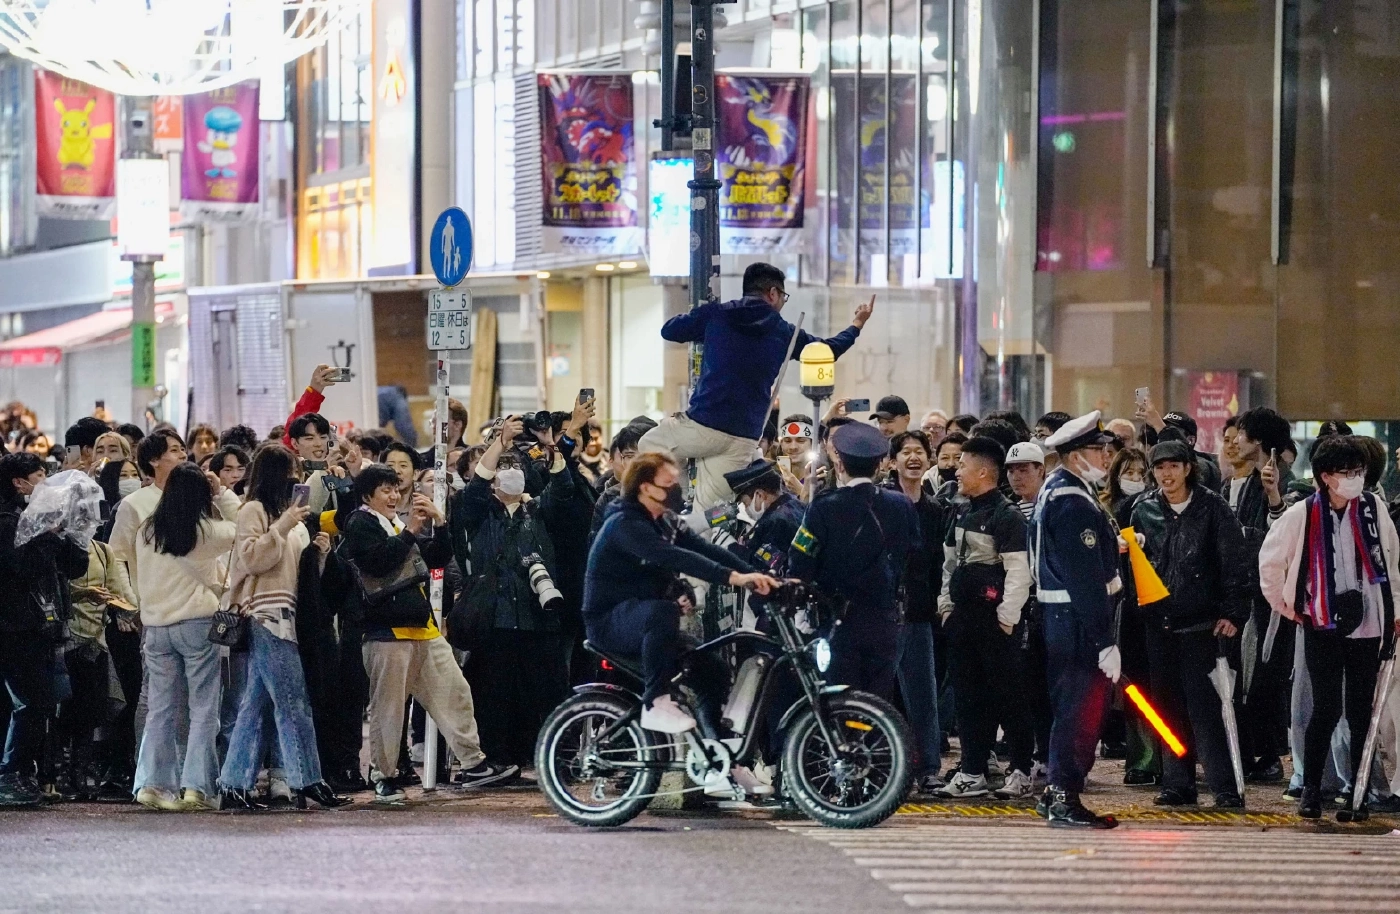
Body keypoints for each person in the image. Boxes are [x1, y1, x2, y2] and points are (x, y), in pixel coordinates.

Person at [338, 465, 518, 803]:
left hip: (424, 629)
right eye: (385, 490)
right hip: (385, 632)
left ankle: (473, 763)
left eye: (396, 489)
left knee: (454, 692)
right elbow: (379, 562)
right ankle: (384, 777)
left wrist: (441, 523)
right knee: (388, 710)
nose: (394, 496)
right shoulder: (360, 523)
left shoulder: (395, 524)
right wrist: (409, 532)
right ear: (367, 496)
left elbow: (437, 558)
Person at [641, 262, 872, 516]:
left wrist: (702, 316)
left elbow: (670, 330)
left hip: (702, 425)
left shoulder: (718, 314)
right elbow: (828, 350)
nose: (782, 303)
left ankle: (679, 496)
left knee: (649, 443)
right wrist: (857, 325)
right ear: (772, 293)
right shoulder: (784, 332)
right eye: (783, 297)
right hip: (743, 437)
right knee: (707, 517)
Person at [583, 451, 779, 735]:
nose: (675, 489)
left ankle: (719, 754)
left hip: (644, 619)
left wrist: (759, 575)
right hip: (609, 622)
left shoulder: (665, 521)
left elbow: (704, 549)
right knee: (662, 611)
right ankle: (656, 703)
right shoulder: (624, 524)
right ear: (646, 487)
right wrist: (736, 578)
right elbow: (676, 557)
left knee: (713, 669)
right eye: (667, 483)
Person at [1260, 435, 1400, 821]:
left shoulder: (1373, 510)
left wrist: (1395, 613)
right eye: (1347, 473)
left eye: (1359, 472)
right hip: (1320, 621)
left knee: (1360, 711)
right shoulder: (1302, 514)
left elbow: (1391, 564)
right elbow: (1270, 565)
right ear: (1325, 476)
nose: (1355, 479)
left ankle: (1358, 792)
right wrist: (1289, 608)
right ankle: (1311, 790)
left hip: (1368, 623)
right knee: (1325, 707)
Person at [217, 445, 348, 811]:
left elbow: (298, 569)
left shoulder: (290, 517)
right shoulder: (254, 511)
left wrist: (318, 551)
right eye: (291, 470)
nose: (296, 477)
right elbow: (252, 558)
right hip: (266, 615)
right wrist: (287, 523)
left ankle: (232, 783)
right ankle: (309, 779)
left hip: (290, 614)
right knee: (293, 702)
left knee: (256, 705)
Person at [1130, 440, 1252, 809]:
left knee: (1208, 710)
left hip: (1203, 626)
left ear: (1188, 468)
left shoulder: (1213, 509)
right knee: (1167, 711)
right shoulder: (1143, 510)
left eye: (1173, 466)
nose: (1166, 474)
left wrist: (1233, 612)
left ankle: (1224, 786)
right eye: (1159, 467)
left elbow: (1235, 562)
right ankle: (1177, 783)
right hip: (1158, 624)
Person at [450, 415, 574, 768]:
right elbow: (475, 489)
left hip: (540, 616)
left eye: (514, 464)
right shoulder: (475, 512)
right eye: (502, 467)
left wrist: (552, 448)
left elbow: (563, 490)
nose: (510, 471)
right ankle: (499, 760)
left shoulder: (538, 510)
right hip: (496, 618)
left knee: (548, 692)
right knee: (494, 695)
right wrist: (499, 444)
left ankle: (551, 758)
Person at [1027, 411, 1122, 828]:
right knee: (1080, 710)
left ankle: (1056, 791)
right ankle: (1065, 794)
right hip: (1077, 618)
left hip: (1061, 615)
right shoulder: (1074, 502)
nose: (1106, 456)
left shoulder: (1059, 490)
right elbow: (1084, 579)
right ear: (1074, 455)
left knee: (1070, 706)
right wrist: (1104, 640)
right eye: (1097, 450)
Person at [131, 463, 237, 811]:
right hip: (196, 626)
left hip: (156, 629)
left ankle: (153, 784)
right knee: (203, 708)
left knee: (160, 709)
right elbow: (241, 529)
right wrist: (222, 492)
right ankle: (196, 788)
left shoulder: (146, 531)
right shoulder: (205, 531)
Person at [935, 436, 1035, 800]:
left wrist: (1007, 618)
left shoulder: (1006, 516)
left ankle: (1022, 769)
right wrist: (946, 606)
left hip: (995, 623)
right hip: (962, 621)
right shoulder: (961, 510)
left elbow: (1019, 572)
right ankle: (973, 771)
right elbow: (949, 564)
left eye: (962, 465)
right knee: (967, 698)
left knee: (1008, 696)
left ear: (982, 471)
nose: (956, 471)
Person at [789, 423, 920, 699]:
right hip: (885, 619)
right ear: (879, 465)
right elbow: (912, 554)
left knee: (840, 698)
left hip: (838, 620)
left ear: (840, 465)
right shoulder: (901, 505)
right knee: (878, 699)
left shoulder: (823, 506)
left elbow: (801, 560)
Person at [0, 453, 90, 807]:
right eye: (40, 475)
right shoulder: (8, 522)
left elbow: (75, 565)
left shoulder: (38, 520)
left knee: (40, 701)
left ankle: (19, 773)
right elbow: (20, 570)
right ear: (19, 483)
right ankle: (11, 773)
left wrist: (65, 533)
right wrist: (44, 534)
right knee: (31, 701)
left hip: (40, 626)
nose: (47, 483)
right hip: (14, 626)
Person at [1230, 406, 1297, 784]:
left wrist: (1272, 499)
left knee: (1266, 674)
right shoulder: (1251, 481)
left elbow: (1279, 534)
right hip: (1252, 593)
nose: (1236, 440)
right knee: (1251, 674)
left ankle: (1269, 754)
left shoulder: (1281, 481)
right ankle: (1261, 751)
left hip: (1271, 597)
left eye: (1241, 433)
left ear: (1257, 440)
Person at [886, 430, 947, 792]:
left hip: (921, 615)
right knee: (881, 694)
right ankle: (886, 765)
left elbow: (940, 562)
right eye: (905, 452)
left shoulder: (936, 509)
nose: (913, 458)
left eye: (919, 452)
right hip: (886, 614)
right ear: (892, 462)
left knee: (924, 695)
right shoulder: (883, 502)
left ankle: (928, 769)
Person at [109, 430, 240, 585]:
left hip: (202, 599)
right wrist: (131, 602)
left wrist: (220, 494)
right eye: (174, 450)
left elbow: (242, 529)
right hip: (155, 603)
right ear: (154, 460)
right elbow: (117, 557)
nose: (183, 455)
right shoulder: (133, 504)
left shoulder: (197, 497)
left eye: (183, 449)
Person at [589, 425, 642, 545]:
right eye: (629, 456)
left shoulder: (663, 492)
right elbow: (596, 544)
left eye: (642, 455)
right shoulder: (610, 496)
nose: (636, 462)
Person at [1006, 441, 1047, 521]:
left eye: (1023, 470)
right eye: (1011, 471)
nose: (1015, 478)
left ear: (1040, 471)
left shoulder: (1056, 506)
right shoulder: (1007, 512)